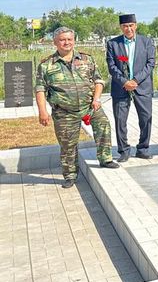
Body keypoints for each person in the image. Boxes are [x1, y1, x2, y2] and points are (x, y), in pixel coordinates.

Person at [35, 27, 118, 187]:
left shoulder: (87, 59)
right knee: (68, 144)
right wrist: (42, 111)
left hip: (89, 106)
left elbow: (99, 81)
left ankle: (105, 158)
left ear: (74, 40)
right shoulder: (46, 65)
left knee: (103, 126)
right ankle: (70, 175)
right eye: (62, 39)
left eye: (69, 39)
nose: (66, 42)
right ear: (55, 42)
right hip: (64, 112)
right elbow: (40, 89)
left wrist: (96, 99)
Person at [106, 13, 156, 162]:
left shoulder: (147, 42)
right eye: (125, 26)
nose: (128, 29)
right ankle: (124, 150)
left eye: (131, 25)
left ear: (136, 25)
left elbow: (150, 63)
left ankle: (143, 148)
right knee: (120, 120)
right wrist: (124, 82)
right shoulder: (113, 44)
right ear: (121, 27)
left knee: (146, 119)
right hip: (121, 88)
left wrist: (135, 80)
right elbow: (111, 66)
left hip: (142, 87)